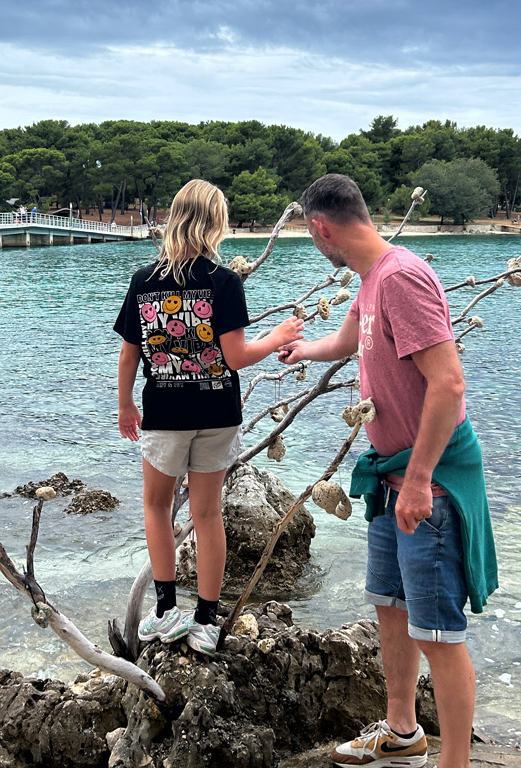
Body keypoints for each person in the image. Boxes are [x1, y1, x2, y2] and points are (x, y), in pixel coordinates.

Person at [279, 174, 497, 768]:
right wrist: (304, 349)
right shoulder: (371, 279)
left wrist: (421, 480)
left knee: (437, 633)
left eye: (308, 232)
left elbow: (449, 384)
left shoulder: (400, 277)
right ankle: (402, 732)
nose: (311, 239)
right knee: (391, 606)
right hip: (389, 476)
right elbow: (351, 340)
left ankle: (456, 763)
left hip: (430, 480)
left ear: (321, 228)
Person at [114, 179, 304, 655]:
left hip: (165, 413)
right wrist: (280, 335)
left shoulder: (144, 282)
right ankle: (206, 621)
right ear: (215, 223)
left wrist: (125, 404)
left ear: (176, 218)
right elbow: (236, 357)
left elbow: (128, 356)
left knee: (157, 507)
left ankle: (165, 611)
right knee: (206, 513)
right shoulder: (224, 282)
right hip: (219, 412)